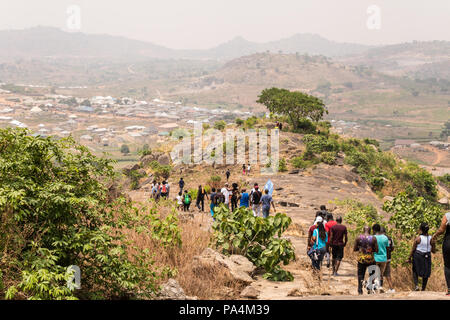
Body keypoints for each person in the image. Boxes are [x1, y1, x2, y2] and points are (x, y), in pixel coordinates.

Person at [409, 222, 434, 292]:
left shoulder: (418, 238)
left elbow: (413, 249)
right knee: (426, 272)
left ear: (421, 229)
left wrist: (409, 258)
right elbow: (434, 250)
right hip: (427, 256)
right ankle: (423, 288)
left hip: (418, 256)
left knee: (415, 270)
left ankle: (416, 285)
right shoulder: (431, 238)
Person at [354, 226, 378, 295]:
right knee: (372, 274)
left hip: (361, 259)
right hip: (371, 259)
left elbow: (355, 249)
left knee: (360, 274)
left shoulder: (358, 238)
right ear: (370, 231)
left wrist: (361, 249)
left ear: (363, 230)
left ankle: (360, 290)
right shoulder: (373, 238)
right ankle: (370, 289)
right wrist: (370, 249)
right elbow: (377, 250)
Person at [431, 211, 450, 295]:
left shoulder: (447, 215)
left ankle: (449, 289)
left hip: (448, 243)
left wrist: (435, 235)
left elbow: (442, 230)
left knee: (447, 265)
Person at [373, 223, 389, 292]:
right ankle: (380, 287)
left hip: (375, 258)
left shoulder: (373, 237)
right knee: (381, 274)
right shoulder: (385, 238)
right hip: (383, 258)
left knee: (374, 273)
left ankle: (373, 287)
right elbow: (387, 248)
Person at [382, 227, 395, 293]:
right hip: (388, 258)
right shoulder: (390, 238)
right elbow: (392, 248)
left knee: (378, 272)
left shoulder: (379, 238)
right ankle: (391, 288)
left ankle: (380, 286)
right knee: (387, 274)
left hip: (380, 258)